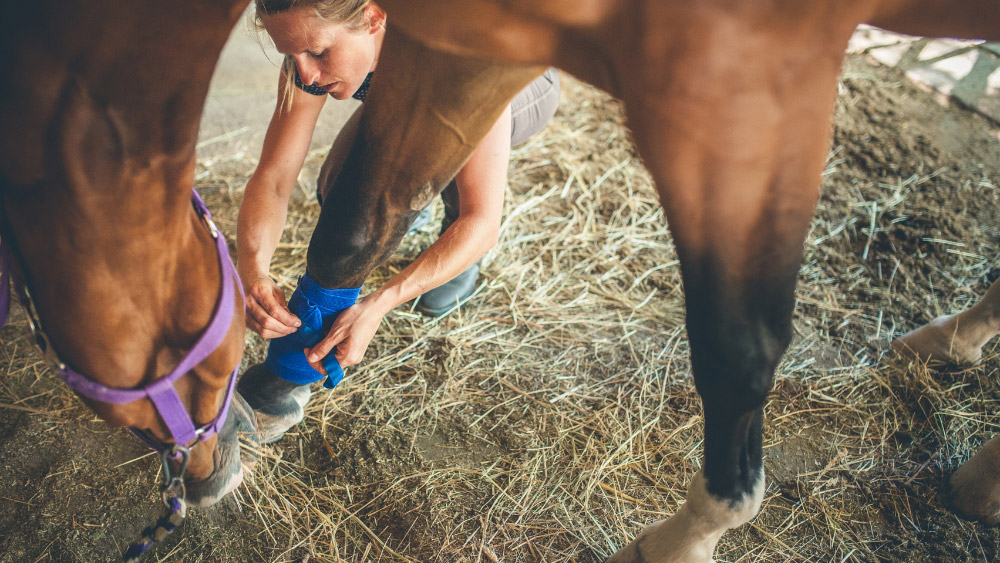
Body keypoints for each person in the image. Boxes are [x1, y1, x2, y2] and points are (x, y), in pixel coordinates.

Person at [235, 0, 559, 432]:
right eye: (289, 55)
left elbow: (483, 223)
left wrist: (380, 302)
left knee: (447, 174)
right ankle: (413, 196)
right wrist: (251, 267)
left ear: (373, 16)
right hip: (407, 84)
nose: (306, 74)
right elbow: (274, 175)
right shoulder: (308, 53)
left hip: (517, 81)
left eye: (317, 53)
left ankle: (445, 215)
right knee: (338, 189)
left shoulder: (461, 51)